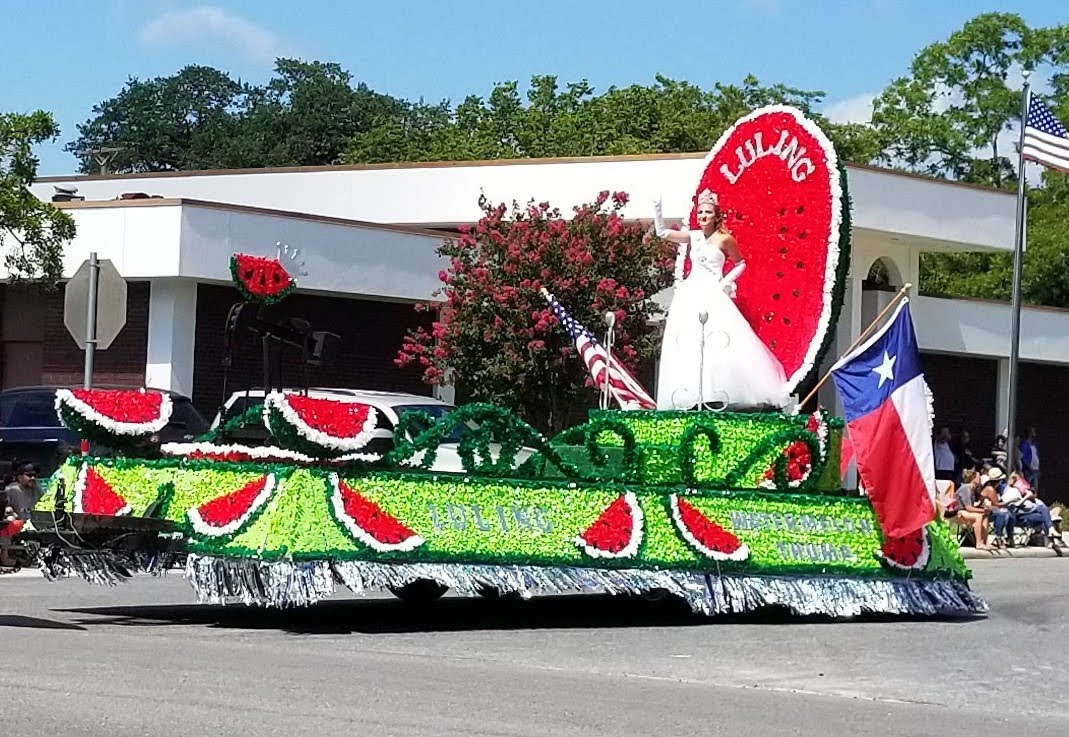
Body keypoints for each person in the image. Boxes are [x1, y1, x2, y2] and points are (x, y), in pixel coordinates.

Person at [652, 190, 789, 411]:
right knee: (689, 342)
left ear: (716, 216)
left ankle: (715, 392)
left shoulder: (725, 239)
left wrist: (726, 281)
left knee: (718, 343)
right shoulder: (694, 236)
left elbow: (741, 263)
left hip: (714, 293)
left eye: (708, 212)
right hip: (691, 293)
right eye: (700, 212)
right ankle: (692, 393)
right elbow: (663, 233)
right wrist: (657, 209)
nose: (703, 216)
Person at [947, 469, 993, 550]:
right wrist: (983, 510)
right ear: (974, 477)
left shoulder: (972, 489)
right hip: (957, 512)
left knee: (985, 516)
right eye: (979, 477)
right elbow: (968, 508)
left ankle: (984, 542)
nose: (980, 479)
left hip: (964, 511)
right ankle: (978, 543)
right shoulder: (966, 488)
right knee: (979, 516)